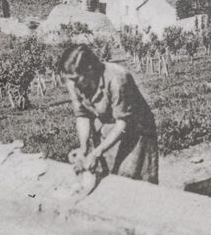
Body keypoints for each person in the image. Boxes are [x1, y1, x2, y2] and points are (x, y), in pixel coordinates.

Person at [57, 44, 159, 185]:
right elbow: (82, 115)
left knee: (134, 181)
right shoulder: (74, 83)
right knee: (110, 177)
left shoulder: (117, 78)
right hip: (109, 129)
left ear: (89, 70)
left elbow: (123, 123)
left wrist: (97, 152)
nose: (72, 84)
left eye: (75, 79)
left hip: (136, 131)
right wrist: (84, 148)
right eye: (70, 80)